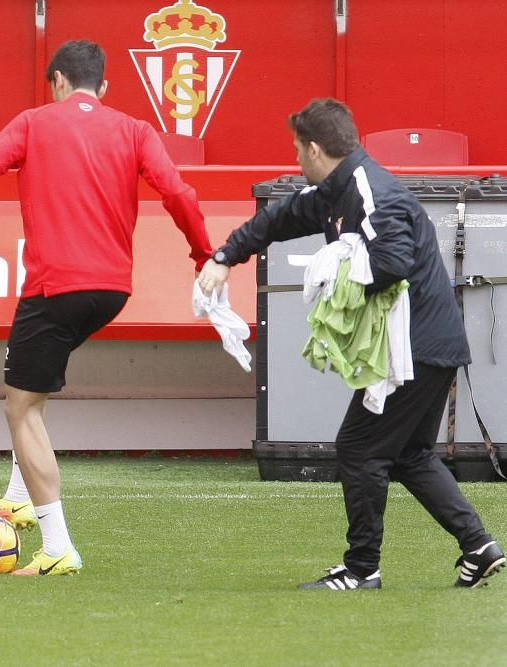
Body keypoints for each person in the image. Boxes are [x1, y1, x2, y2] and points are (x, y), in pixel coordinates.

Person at [198, 98, 504, 590]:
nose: (295, 160)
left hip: (415, 348)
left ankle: (362, 570)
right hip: (432, 344)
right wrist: (224, 256)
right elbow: (278, 220)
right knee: (411, 455)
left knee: (358, 449)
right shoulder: (336, 189)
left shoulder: (368, 190)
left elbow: (393, 262)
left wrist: (338, 281)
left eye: (298, 150)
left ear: (315, 149)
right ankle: (479, 545)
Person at [0, 40, 213, 576]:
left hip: (53, 288)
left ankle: (58, 546)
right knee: (32, 390)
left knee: (20, 407)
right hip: (111, 291)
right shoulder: (133, 129)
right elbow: (179, 194)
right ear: (102, 88)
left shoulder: (35, 122)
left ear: (56, 81)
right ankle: (18, 495)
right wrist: (204, 255)